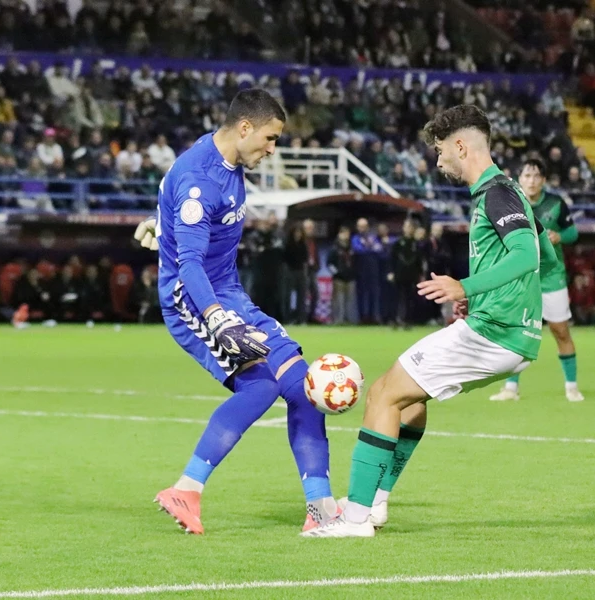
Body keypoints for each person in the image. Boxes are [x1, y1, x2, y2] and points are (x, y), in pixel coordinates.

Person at [302, 105, 558, 538]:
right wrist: (490, 298)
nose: (439, 162)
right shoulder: (505, 192)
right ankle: (375, 504)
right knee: (410, 402)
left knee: (382, 394)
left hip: (495, 332)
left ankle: (357, 517)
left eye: (441, 151)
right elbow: (547, 257)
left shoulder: (497, 192)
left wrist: (468, 288)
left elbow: (527, 255)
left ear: (461, 145)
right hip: (505, 330)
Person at [133, 89, 337, 535]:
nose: (272, 149)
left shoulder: (220, 163)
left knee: (303, 388)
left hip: (230, 294)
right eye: (270, 138)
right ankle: (185, 490)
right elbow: (188, 265)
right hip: (193, 299)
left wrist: (159, 225)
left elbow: (184, 216)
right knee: (261, 387)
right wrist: (216, 317)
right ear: (245, 128)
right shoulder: (199, 177)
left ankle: (321, 511)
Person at [490, 159, 584, 403]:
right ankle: (511, 388)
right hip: (522, 277)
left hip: (552, 277)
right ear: (519, 179)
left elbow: (573, 233)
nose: (531, 181)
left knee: (560, 331)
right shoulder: (510, 203)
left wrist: (560, 235)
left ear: (543, 180)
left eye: (536, 176)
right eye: (527, 175)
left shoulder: (556, 203)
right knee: (517, 331)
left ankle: (571, 386)